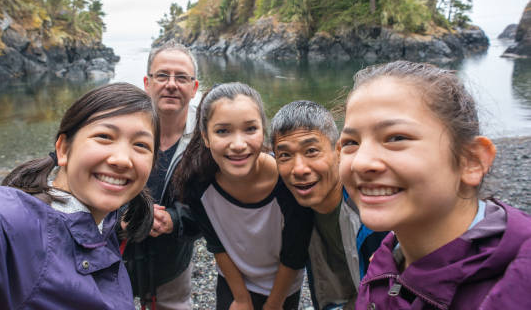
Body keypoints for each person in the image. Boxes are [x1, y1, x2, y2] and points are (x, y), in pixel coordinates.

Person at [0, 82, 159, 309]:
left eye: (140, 145)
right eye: (104, 137)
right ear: (63, 149)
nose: (121, 159)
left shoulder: (104, 225)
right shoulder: (14, 220)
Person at [338, 60, 531, 309]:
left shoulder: (518, 284)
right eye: (351, 142)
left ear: (471, 161)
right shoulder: (384, 263)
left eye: (396, 138)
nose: (360, 163)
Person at [174, 82, 313, 310]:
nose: (238, 145)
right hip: (233, 280)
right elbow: (216, 243)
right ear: (206, 138)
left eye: (250, 129)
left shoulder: (289, 182)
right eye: (222, 131)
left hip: (284, 286)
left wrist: (275, 304)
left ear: (263, 130)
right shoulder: (198, 185)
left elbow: (294, 255)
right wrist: (240, 297)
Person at [270, 100, 387, 310]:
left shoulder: (374, 214)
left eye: (311, 151)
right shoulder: (294, 205)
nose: (299, 169)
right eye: (285, 155)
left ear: (339, 150)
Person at [122, 42, 200, 310]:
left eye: (181, 78)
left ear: (194, 88)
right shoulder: (122, 128)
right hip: (114, 251)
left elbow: (215, 207)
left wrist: (174, 219)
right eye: (162, 75)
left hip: (173, 261)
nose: (171, 84)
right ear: (147, 82)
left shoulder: (208, 140)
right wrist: (120, 218)